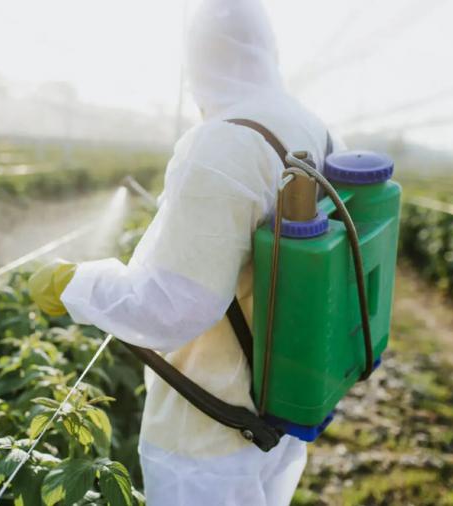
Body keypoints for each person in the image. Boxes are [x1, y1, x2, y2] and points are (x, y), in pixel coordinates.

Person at [30, 0, 342, 503]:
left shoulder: (224, 146)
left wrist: (74, 285)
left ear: (197, 59)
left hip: (208, 434)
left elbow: (172, 307)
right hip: (279, 400)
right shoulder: (312, 126)